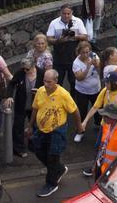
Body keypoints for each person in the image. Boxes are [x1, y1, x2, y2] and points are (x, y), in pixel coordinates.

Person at [27, 69, 79, 198]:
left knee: (52, 157)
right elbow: (35, 108)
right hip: (41, 129)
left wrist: (79, 126)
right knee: (36, 149)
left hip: (57, 131)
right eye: (44, 81)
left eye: (49, 82)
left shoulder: (63, 94)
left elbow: (75, 110)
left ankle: (51, 183)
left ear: (56, 81)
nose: (45, 84)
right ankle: (58, 169)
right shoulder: (40, 91)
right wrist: (29, 125)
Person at [46, 5, 88, 89]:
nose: (66, 16)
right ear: (60, 13)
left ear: (72, 13)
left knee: (74, 82)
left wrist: (75, 37)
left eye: (68, 14)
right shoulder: (54, 23)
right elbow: (49, 39)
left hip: (73, 56)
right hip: (59, 57)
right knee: (58, 82)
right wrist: (59, 40)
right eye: (64, 13)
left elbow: (85, 36)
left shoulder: (78, 21)